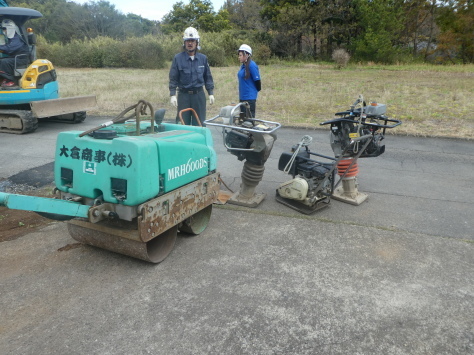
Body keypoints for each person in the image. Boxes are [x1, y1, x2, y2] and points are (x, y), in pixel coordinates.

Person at [169, 26, 214, 126]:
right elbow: (173, 77)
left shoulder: (203, 59)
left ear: (197, 42)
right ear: (184, 43)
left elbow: (208, 77)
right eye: (187, 41)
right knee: (182, 123)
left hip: (198, 96)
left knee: (199, 123)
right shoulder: (178, 58)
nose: (190, 43)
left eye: (192, 41)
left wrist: (210, 93)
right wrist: (172, 94)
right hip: (183, 96)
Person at [0, 19, 30, 87]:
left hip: (21, 59)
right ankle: (2, 79)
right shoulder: (11, 39)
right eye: (3, 29)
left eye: (5, 29)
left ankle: (10, 81)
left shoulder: (16, 39)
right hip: (15, 57)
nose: (4, 31)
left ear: (10, 28)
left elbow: (9, 49)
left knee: (5, 62)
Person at [237, 44, 261, 118]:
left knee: (249, 121)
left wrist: (252, 92)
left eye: (240, 55)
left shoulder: (252, 65)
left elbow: (257, 81)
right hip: (242, 97)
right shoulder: (243, 66)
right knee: (242, 120)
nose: (239, 57)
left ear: (246, 55)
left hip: (249, 98)